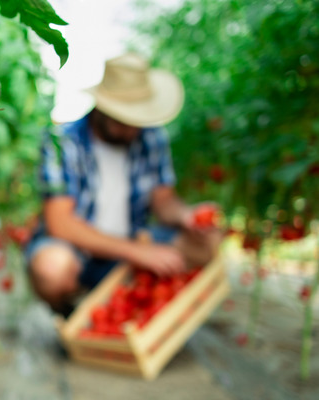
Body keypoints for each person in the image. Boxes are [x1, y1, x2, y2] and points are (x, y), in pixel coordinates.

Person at [26, 53, 221, 317]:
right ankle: (70, 313)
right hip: (80, 253)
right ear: (102, 108)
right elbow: (60, 223)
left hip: (132, 245)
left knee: (209, 242)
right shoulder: (62, 142)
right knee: (51, 268)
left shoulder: (151, 137)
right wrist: (139, 252)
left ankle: (139, 305)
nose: (132, 129)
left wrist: (186, 215)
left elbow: (164, 201)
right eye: (123, 119)